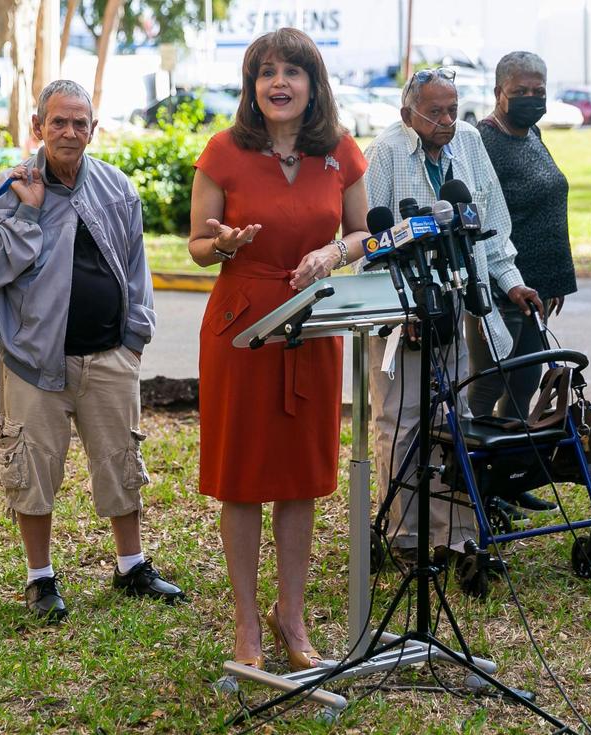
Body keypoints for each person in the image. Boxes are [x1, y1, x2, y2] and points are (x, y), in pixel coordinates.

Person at [188, 28, 369, 671]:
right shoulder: (224, 151)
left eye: (293, 72)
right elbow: (199, 246)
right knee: (241, 478)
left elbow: (365, 236)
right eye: (266, 72)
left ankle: (290, 617)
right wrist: (228, 244)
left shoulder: (341, 153)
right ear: (251, 86)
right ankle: (246, 624)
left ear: (314, 85)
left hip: (312, 328)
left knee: (301, 478)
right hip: (241, 328)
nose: (279, 83)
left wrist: (330, 254)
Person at [0, 79, 184, 624]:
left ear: (94, 129)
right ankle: (40, 578)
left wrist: (135, 337)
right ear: (38, 127)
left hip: (111, 356)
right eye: (58, 122)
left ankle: (131, 565)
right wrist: (27, 213)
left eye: (80, 123)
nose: (69, 132)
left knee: (121, 461)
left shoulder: (117, 188)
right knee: (32, 469)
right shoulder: (10, 186)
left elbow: (137, 270)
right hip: (34, 361)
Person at [363, 67, 542, 566]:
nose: (447, 120)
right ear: (408, 114)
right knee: (402, 423)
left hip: (458, 303)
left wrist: (511, 282)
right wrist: (401, 311)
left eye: (453, 108)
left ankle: (455, 536)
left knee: (453, 417)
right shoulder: (386, 152)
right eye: (435, 111)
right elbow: (368, 243)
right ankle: (403, 538)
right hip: (402, 314)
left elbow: (494, 226)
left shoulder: (467, 142)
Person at [471, 51, 578, 516]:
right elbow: (483, 217)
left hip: (539, 285)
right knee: (490, 384)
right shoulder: (481, 141)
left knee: (524, 384)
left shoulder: (532, 132)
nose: (532, 99)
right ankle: (473, 483)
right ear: (499, 93)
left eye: (539, 91)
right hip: (501, 285)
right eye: (521, 92)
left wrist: (553, 278)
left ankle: (508, 480)